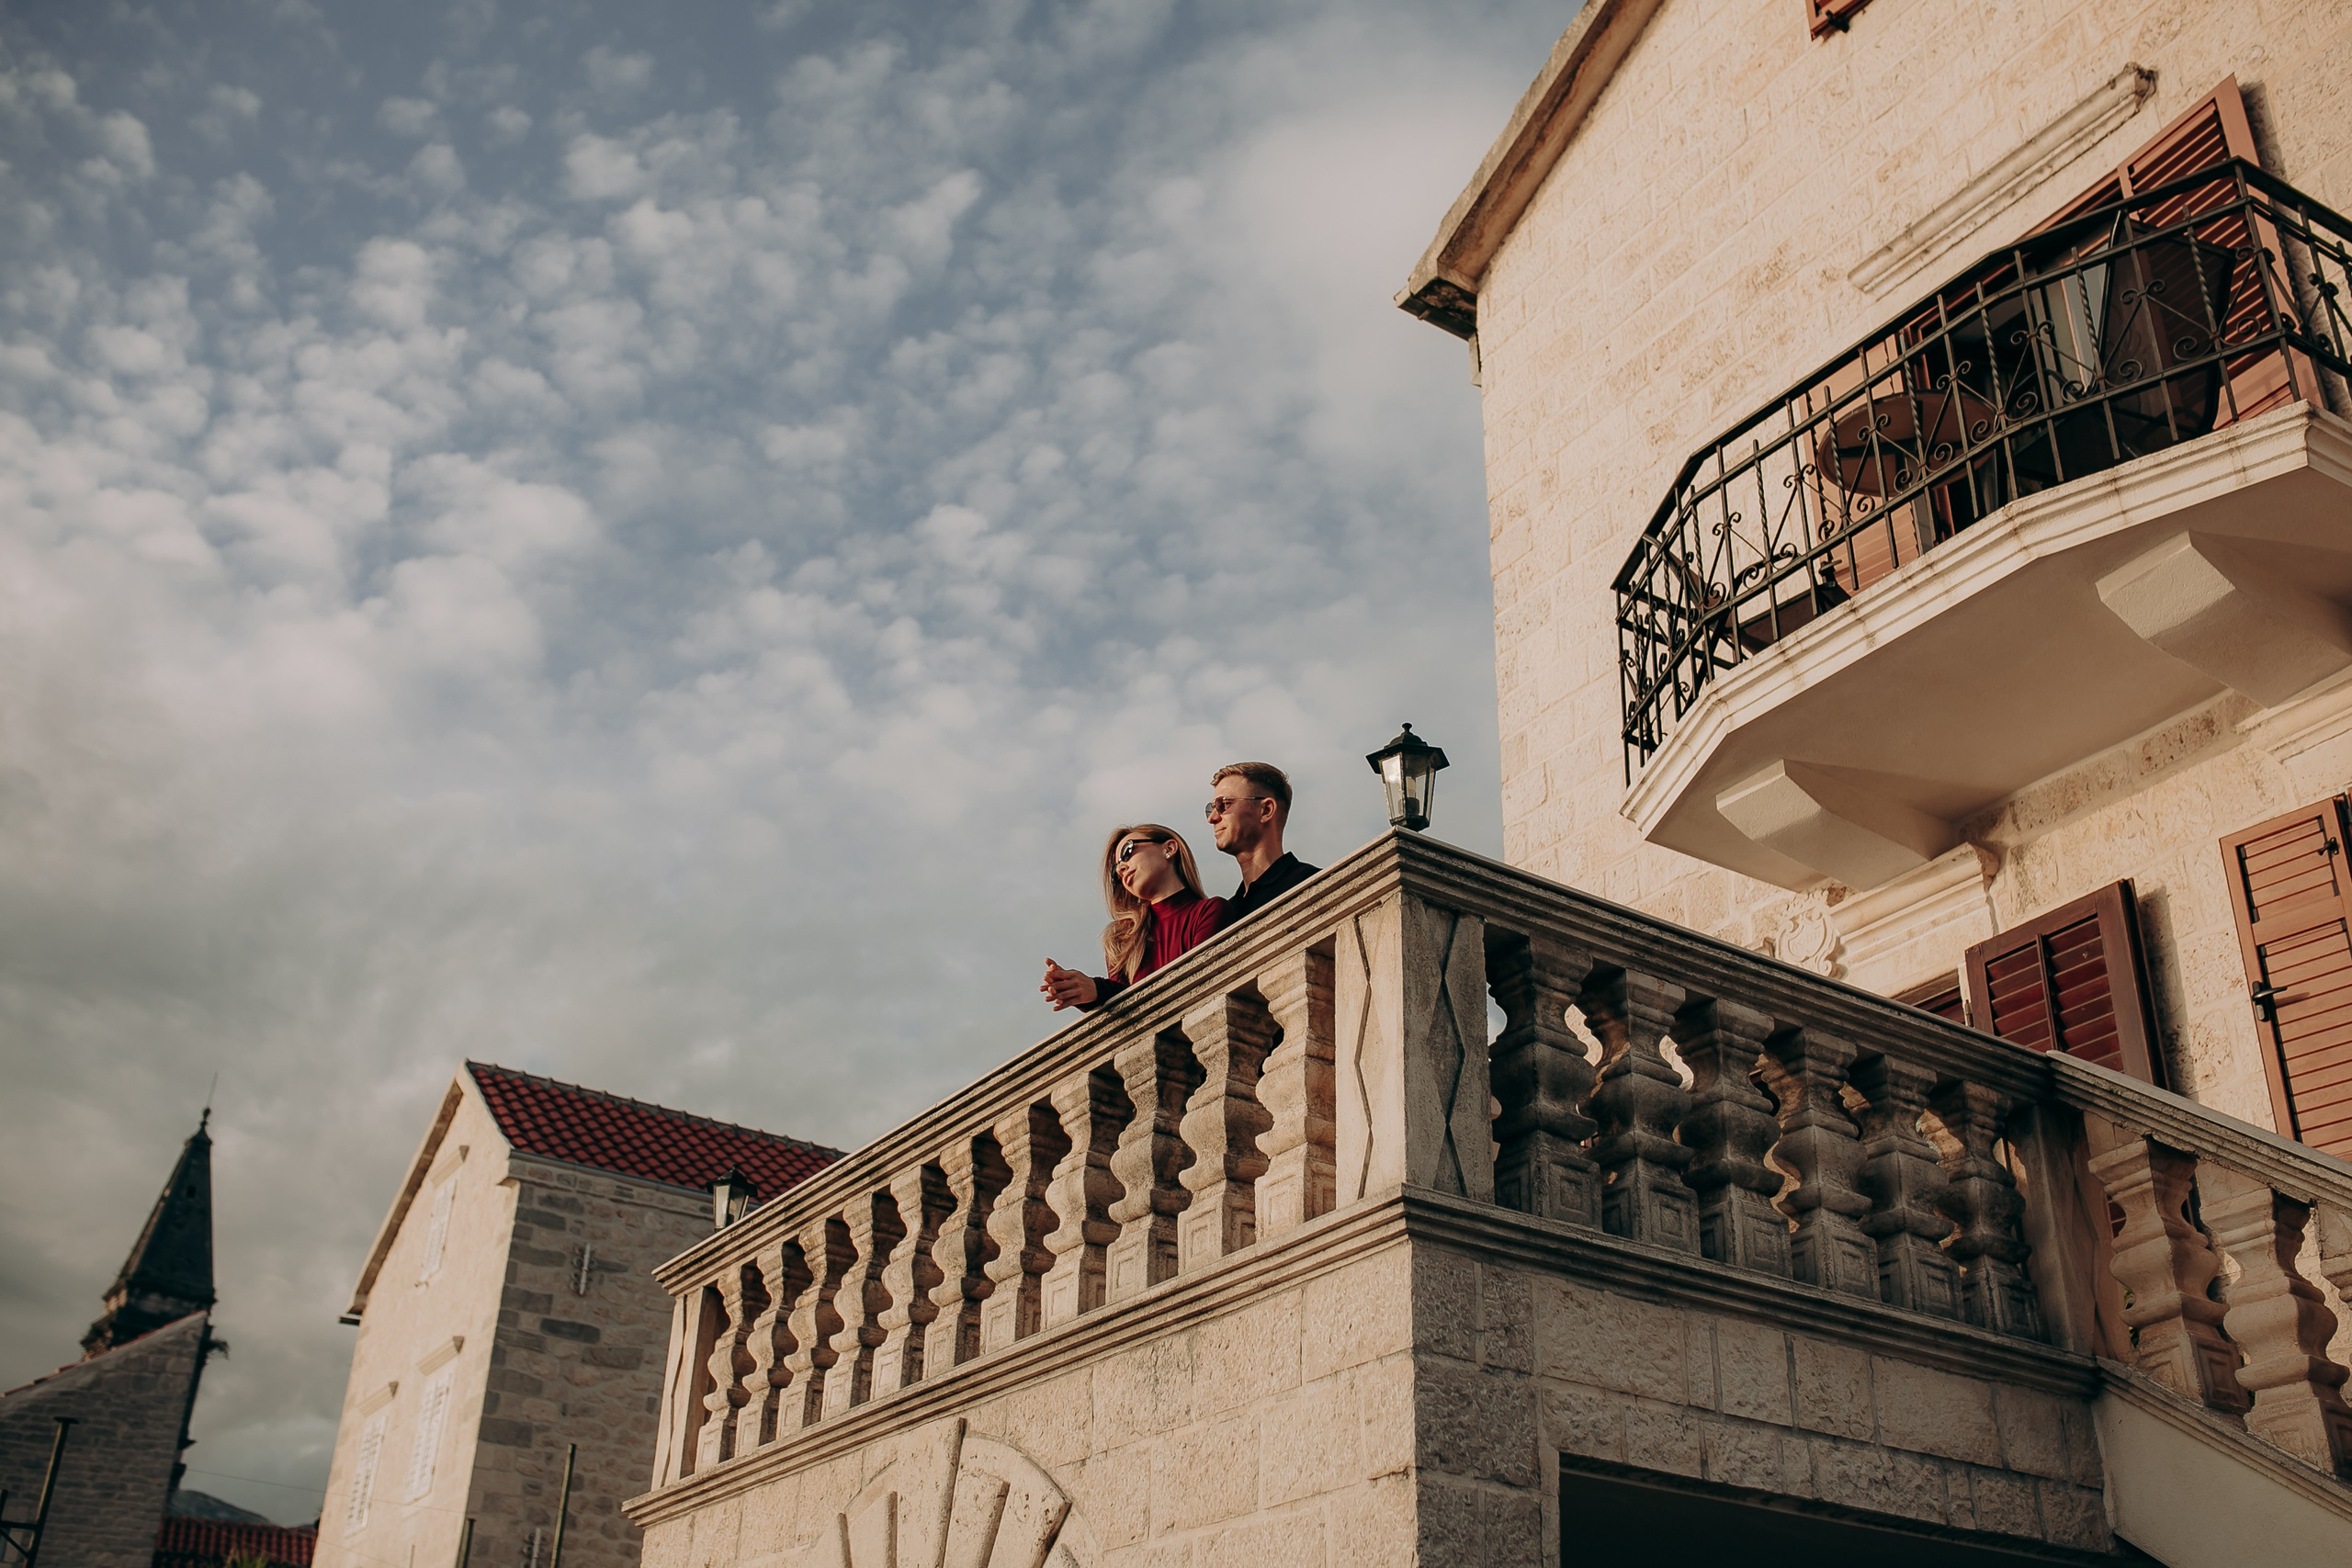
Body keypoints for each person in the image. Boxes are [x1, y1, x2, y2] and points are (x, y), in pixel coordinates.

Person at [1040, 825, 1225, 1010]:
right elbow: (1126, 1004)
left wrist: (1098, 990)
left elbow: (1196, 984)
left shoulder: (1210, 911)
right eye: (1116, 870)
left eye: (1128, 851)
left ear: (1169, 848)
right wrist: (1090, 991)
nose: (1121, 867)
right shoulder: (1121, 938)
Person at [1205, 761, 1319, 922]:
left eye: (1224, 805)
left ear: (1266, 810)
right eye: (1210, 809)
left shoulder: (1311, 884)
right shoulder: (1226, 914)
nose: (1212, 818)